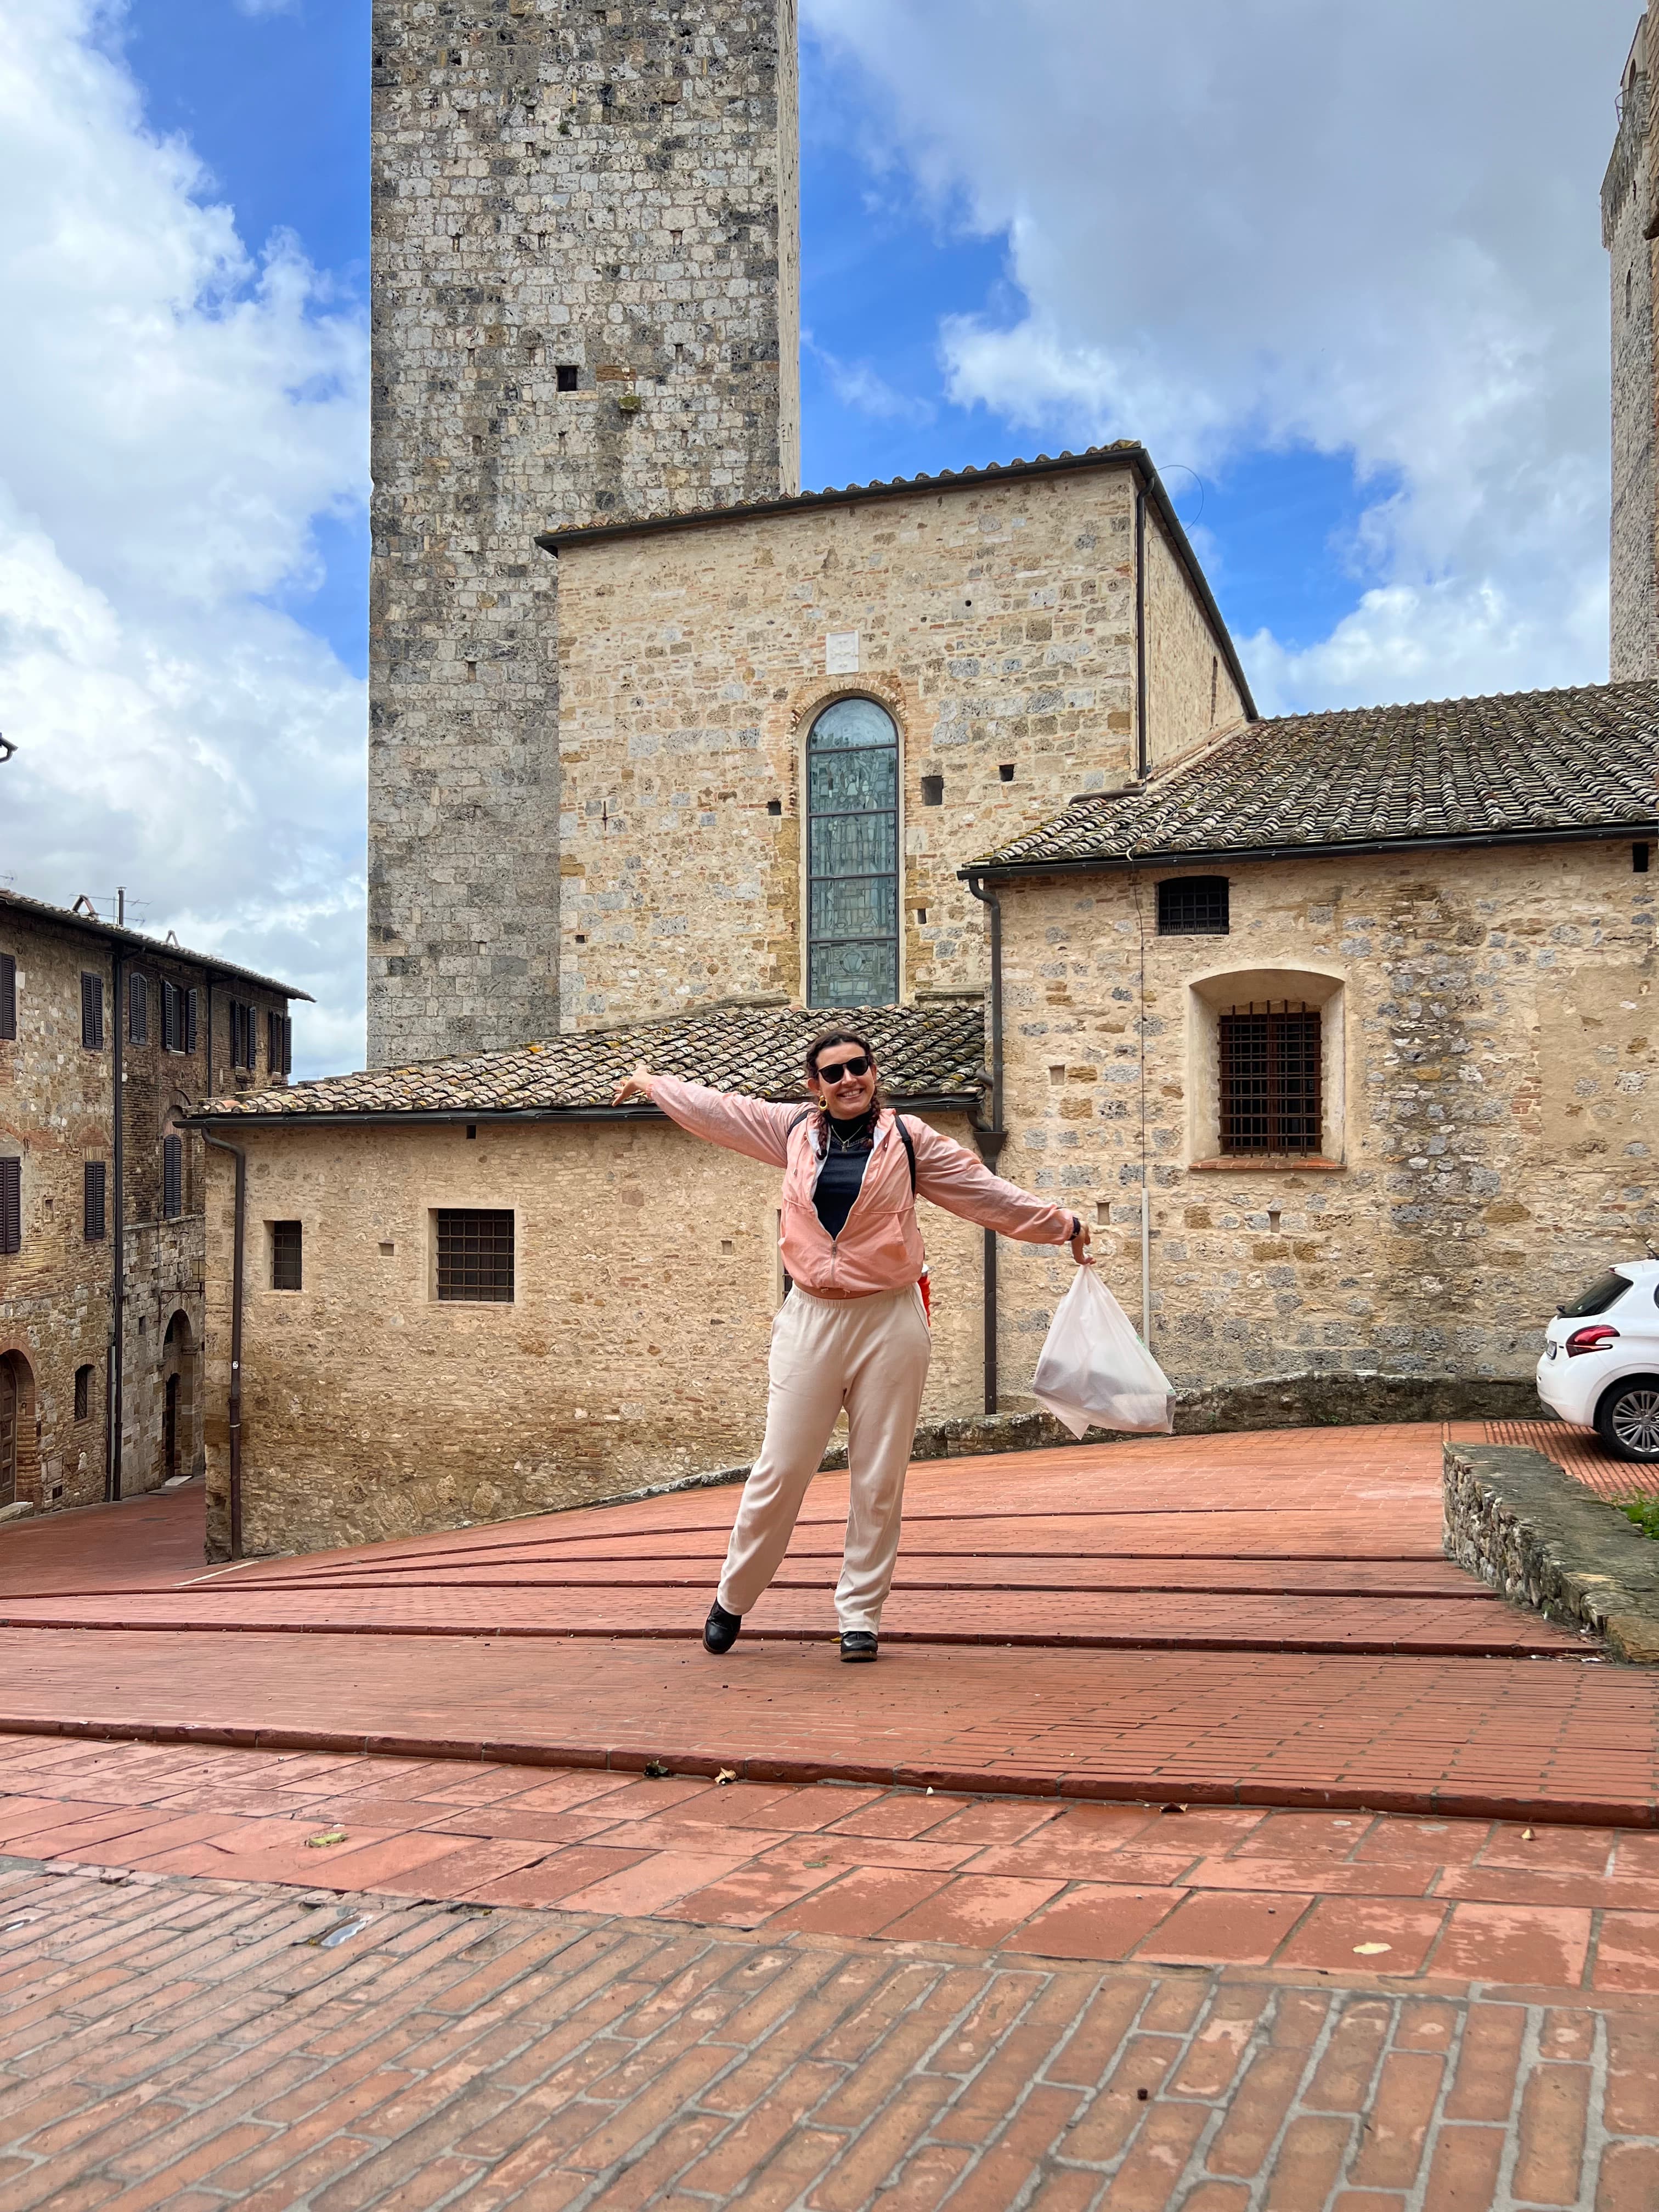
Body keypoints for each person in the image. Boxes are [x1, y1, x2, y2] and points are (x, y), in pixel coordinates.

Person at [610, 1027, 1091, 1662]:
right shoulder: (789, 1132)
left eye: (857, 1067)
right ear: (815, 1086)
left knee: (879, 1475)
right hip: (811, 1318)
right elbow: (720, 1111)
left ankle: (860, 1615)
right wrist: (652, 1083)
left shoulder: (911, 1141)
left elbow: (984, 1194)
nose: (848, 1080)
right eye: (833, 1073)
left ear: (873, 1072)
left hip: (889, 1320)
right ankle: (734, 1596)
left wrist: (1063, 1226)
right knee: (781, 1468)